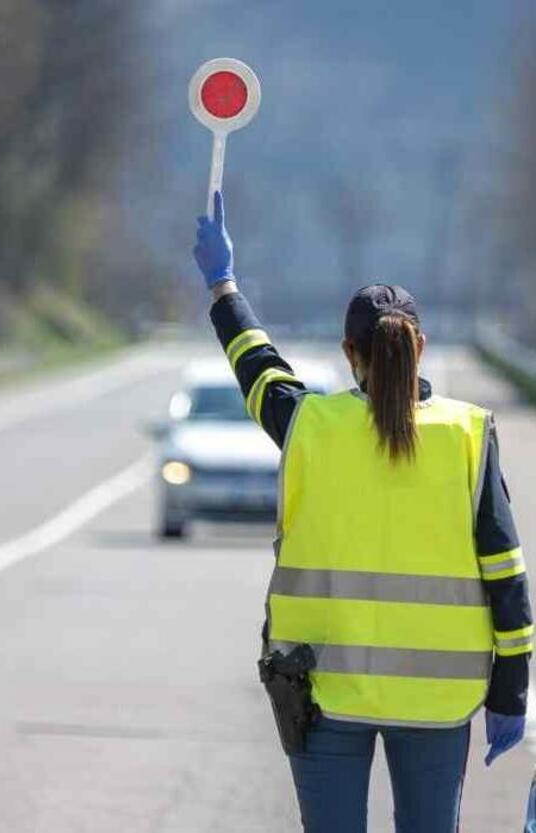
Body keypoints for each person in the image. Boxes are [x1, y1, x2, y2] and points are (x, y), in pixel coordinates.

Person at [193, 191, 533, 833]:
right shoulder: (466, 432)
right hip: (438, 701)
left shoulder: (311, 425)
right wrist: (511, 689)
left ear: (349, 353)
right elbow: (504, 570)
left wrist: (223, 285)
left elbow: (257, 367)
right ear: (421, 347)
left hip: (324, 690)